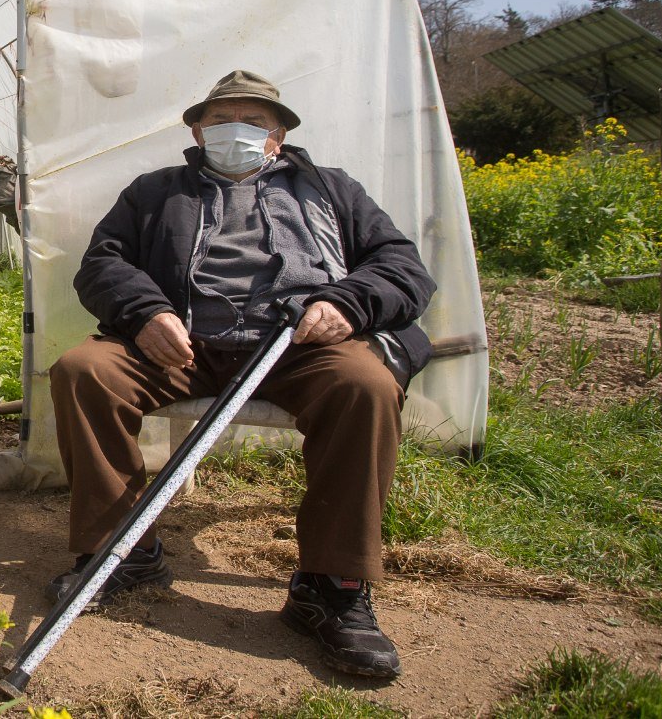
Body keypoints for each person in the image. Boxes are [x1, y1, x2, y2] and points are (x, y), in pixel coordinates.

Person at [47, 70, 435, 679]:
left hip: (297, 347)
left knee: (365, 385)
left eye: (254, 123)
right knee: (84, 369)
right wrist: (147, 313)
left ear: (278, 136)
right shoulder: (154, 193)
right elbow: (103, 264)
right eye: (223, 121)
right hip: (185, 348)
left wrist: (346, 305)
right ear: (199, 130)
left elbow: (403, 268)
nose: (238, 133)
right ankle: (121, 551)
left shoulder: (332, 190)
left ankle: (330, 584)